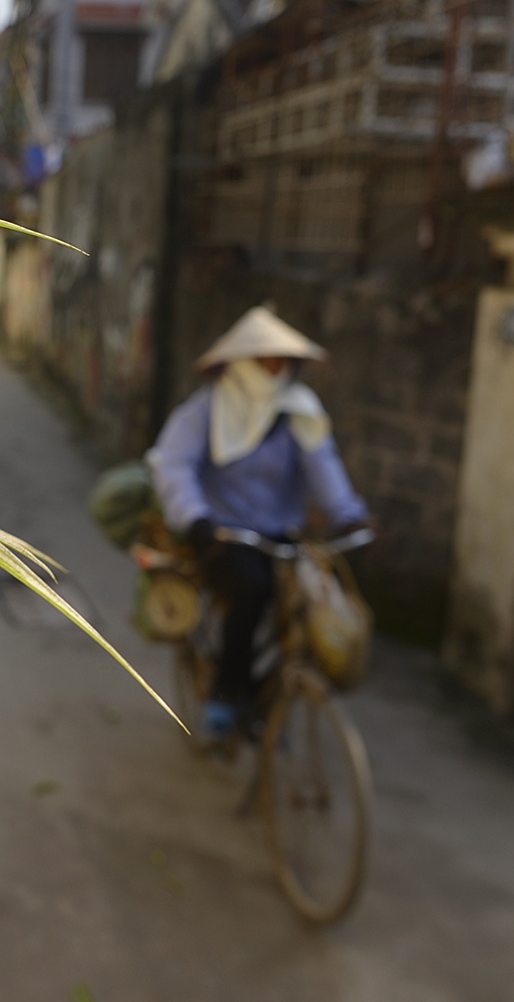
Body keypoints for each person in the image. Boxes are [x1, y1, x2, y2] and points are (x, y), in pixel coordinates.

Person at [145, 306, 369, 740]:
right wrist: (195, 518)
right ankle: (226, 694)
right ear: (242, 363)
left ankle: (272, 696)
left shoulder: (299, 411)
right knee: (251, 592)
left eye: (283, 361)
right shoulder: (207, 408)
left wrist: (350, 516)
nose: (276, 369)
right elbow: (174, 465)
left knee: (303, 606)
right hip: (223, 532)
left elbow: (323, 466)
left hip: (280, 533)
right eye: (267, 360)